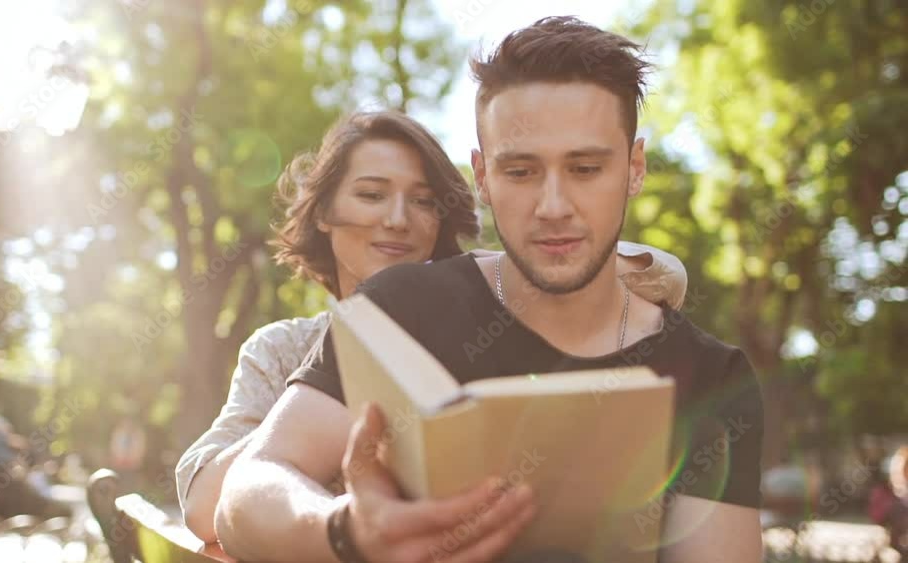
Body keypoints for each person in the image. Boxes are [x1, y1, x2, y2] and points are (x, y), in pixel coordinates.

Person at [213, 16, 765, 563]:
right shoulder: (401, 309)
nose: (553, 206)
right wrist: (347, 531)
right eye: (521, 172)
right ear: (481, 175)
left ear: (634, 168)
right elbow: (248, 488)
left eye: (586, 168)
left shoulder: (714, 378)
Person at [176, 110, 690, 543]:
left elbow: (666, 276)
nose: (399, 220)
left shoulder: (474, 327)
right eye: (373, 195)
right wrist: (333, 388)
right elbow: (204, 505)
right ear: (326, 213)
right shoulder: (282, 348)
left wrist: (509, 265)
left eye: (423, 202)